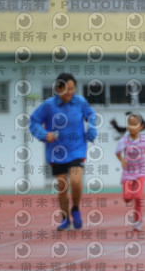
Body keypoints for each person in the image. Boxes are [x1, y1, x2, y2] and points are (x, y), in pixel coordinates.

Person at [29, 73, 97, 230]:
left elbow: (91, 115)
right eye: (67, 89)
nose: (71, 92)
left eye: (73, 88)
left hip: (77, 149)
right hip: (57, 152)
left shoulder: (80, 102)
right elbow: (34, 121)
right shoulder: (48, 105)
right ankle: (66, 218)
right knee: (62, 186)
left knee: (76, 181)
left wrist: (92, 128)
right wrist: (44, 134)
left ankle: (76, 209)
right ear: (58, 89)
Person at [111, 112, 145, 231]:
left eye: (134, 124)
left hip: (141, 172)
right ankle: (129, 198)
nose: (131, 127)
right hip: (128, 173)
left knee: (138, 197)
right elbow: (117, 153)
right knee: (127, 197)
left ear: (141, 127)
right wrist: (122, 160)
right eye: (129, 124)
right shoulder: (124, 140)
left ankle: (137, 221)